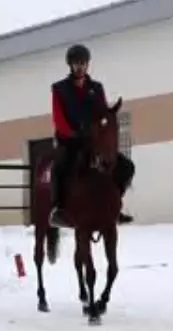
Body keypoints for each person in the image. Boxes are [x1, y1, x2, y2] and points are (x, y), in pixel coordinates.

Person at [49, 43, 136, 228]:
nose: (79, 67)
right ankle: (59, 209)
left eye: (83, 63)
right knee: (60, 167)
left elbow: (102, 112)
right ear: (70, 65)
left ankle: (115, 206)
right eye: (76, 63)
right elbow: (58, 118)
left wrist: (100, 131)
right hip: (70, 140)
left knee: (126, 166)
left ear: (87, 65)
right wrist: (73, 133)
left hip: (93, 139)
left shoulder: (96, 87)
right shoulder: (59, 89)